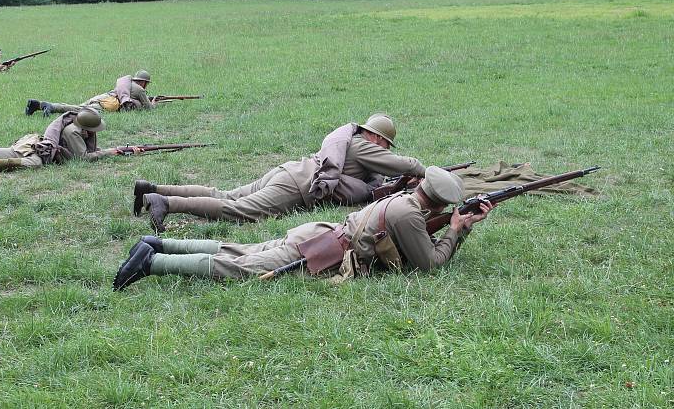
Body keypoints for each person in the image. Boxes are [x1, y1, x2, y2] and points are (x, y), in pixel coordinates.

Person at [113, 166, 493, 290]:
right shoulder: (410, 214)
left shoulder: (406, 202)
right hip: (320, 248)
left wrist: (454, 223)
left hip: (318, 231)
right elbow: (428, 265)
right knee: (245, 267)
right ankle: (153, 262)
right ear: (440, 202)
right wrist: (457, 230)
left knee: (244, 251)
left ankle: (159, 242)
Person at [136, 114, 426, 232]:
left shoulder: (351, 141)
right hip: (295, 185)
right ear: (376, 137)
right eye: (386, 144)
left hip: (291, 171)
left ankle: (153, 189)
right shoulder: (364, 146)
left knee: (223, 194)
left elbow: (376, 180)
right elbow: (404, 164)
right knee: (240, 211)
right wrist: (427, 172)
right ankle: (167, 204)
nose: (385, 150)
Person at [25, 70, 156, 116]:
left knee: (76, 107)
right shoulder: (140, 89)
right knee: (78, 110)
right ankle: (50, 106)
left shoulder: (127, 85)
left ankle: (38, 105)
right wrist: (154, 102)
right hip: (106, 104)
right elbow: (149, 108)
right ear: (144, 82)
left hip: (103, 97)